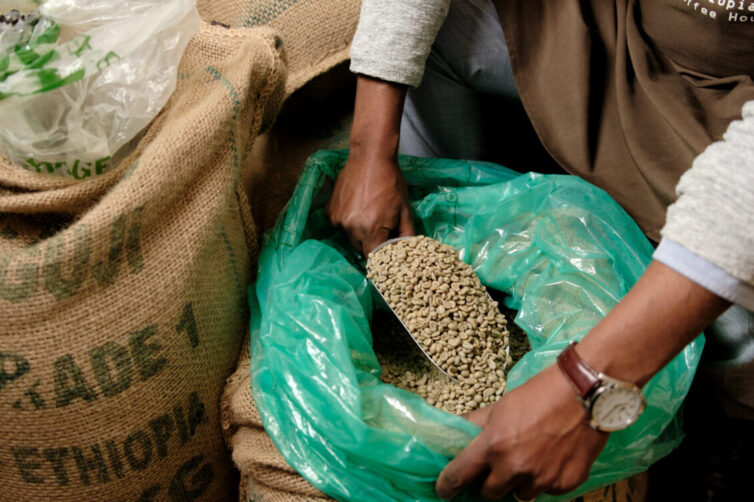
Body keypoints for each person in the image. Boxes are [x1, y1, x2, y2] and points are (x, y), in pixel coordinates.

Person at [325, 0, 754, 500]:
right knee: (439, 33)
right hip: (616, 24)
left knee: (729, 339)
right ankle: (456, 226)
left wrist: (586, 385)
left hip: (731, 91)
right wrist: (370, 148)